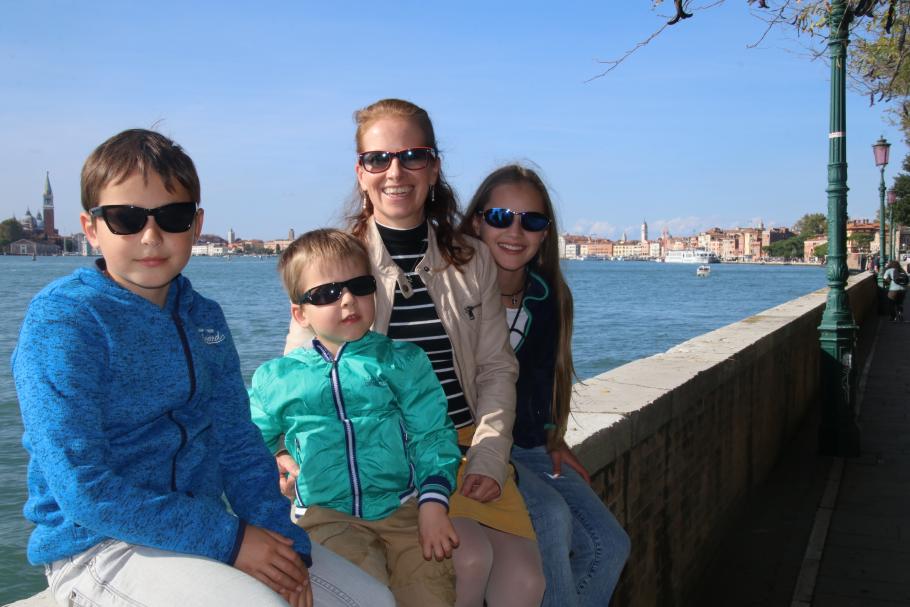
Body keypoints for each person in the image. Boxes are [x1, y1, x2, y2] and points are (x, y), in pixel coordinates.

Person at [12, 129, 394, 607]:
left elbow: (237, 443)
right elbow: (82, 487)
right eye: (125, 218)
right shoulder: (66, 320)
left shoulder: (203, 317)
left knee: (373, 601)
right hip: (97, 544)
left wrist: (285, 544)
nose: (151, 236)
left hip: (200, 532)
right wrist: (232, 540)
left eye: (171, 217)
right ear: (91, 228)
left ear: (196, 224)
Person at [283, 99, 545, 607]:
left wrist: (490, 457)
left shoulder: (472, 259)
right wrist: (282, 456)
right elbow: (298, 376)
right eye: (378, 159)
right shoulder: (334, 263)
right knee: (465, 560)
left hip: (471, 442)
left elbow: (495, 368)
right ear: (361, 173)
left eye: (412, 156)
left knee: (526, 584)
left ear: (434, 167)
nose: (395, 172)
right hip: (391, 460)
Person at [250, 229, 461, 606]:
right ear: (300, 312)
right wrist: (278, 456)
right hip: (326, 517)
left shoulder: (403, 361)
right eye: (326, 294)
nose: (347, 299)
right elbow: (244, 442)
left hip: (404, 509)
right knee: (363, 593)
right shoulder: (278, 379)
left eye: (359, 285)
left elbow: (433, 435)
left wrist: (433, 503)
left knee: (432, 592)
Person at [461, 164, 632, 607]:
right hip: (471, 446)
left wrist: (556, 434)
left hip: (531, 447)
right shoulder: (453, 290)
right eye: (501, 217)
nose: (515, 231)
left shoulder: (549, 294)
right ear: (477, 221)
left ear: (544, 232)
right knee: (551, 519)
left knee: (610, 546)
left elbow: (552, 372)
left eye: (531, 221)